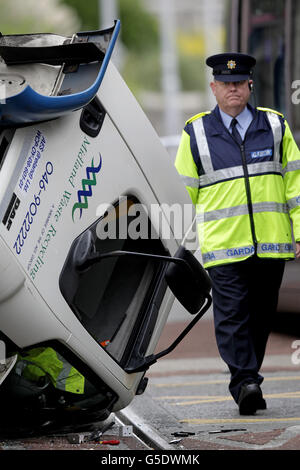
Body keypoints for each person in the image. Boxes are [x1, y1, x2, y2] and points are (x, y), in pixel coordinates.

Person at [175, 52, 300, 415]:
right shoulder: (195, 132)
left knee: (261, 316)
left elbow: (295, 184)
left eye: (239, 83)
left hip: (272, 243)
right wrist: (179, 244)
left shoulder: (276, 126)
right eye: (225, 84)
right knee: (231, 316)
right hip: (223, 246)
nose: (233, 89)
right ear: (214, 88)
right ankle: (245, 381)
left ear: (250, 85)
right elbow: (183, 190)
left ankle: (248, 374)